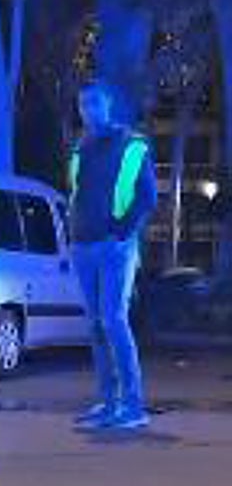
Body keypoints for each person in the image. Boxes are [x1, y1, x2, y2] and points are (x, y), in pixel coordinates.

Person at [67, 79, 158, 431]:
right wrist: (72, 231)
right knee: (95, 324)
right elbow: (76, 194)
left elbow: (147, 197)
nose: (88, 110)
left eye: (94, 103)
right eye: (83, 105)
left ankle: (133, 406)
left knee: (113, 319)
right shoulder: (80, 147)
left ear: (107, 105)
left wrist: (122, 232)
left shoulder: (131, 144)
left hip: (114, 246)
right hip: (84, 246)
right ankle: (107, 402)